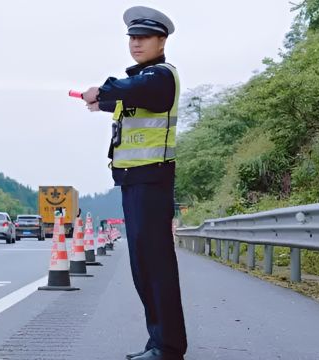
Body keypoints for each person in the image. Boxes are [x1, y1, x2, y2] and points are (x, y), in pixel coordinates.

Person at [80, 6, 187, 360]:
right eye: (132, 38)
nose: (136, 44)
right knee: (143, 266)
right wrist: (101, 100)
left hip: (152, 181)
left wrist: (102, 90)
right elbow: (124, 98)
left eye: (143, 38)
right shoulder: (142, 82)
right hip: (135, 182)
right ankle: (158, 342)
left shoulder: (160, 77)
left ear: (162, 41)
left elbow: (133, 88)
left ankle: (168, 347)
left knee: (155, 266)